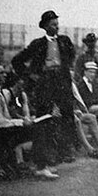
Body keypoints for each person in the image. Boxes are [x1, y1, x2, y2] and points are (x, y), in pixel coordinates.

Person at [12, 10, 77, 163]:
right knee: (45, 118)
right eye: (53, 25)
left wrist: (66, 71)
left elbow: (71, 56)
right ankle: (47, 156)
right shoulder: (38, 44)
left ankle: (65, 151)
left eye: (57, 24)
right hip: (45, 84)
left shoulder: (65, 41)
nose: (57, 27)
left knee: (67, 116)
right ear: (46, 26)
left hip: (62, 83)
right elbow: (17, 61)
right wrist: (32, 76)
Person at [0, 65, 59, 179]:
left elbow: (6, 117)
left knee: (40, 125)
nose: (5, 74)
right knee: (38, 128)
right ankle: (40, 167)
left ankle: (41, 164)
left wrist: (22, 120)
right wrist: (21, 123)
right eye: (1, 73)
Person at [71, 81, 98, 158]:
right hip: (65, 114)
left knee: (92, 117)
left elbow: (76, 101)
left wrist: (77, 110)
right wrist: (73, 111)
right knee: (77, 121)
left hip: (76, 112)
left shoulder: (72, 85)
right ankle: (90, 150)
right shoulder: (61, 85)